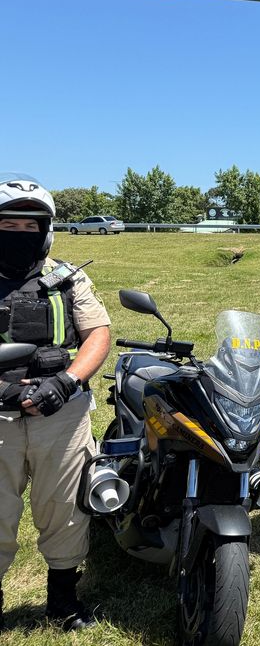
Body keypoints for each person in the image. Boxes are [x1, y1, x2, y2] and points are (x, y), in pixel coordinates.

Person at [0, 174, 110, 631]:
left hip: (59, 413)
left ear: (46, 230)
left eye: (32, 226)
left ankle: (63, 601)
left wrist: (66, 381)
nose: (22, 234)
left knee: (64, 509)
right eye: (10, 225)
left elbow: (97, 334)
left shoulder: (69, 278)